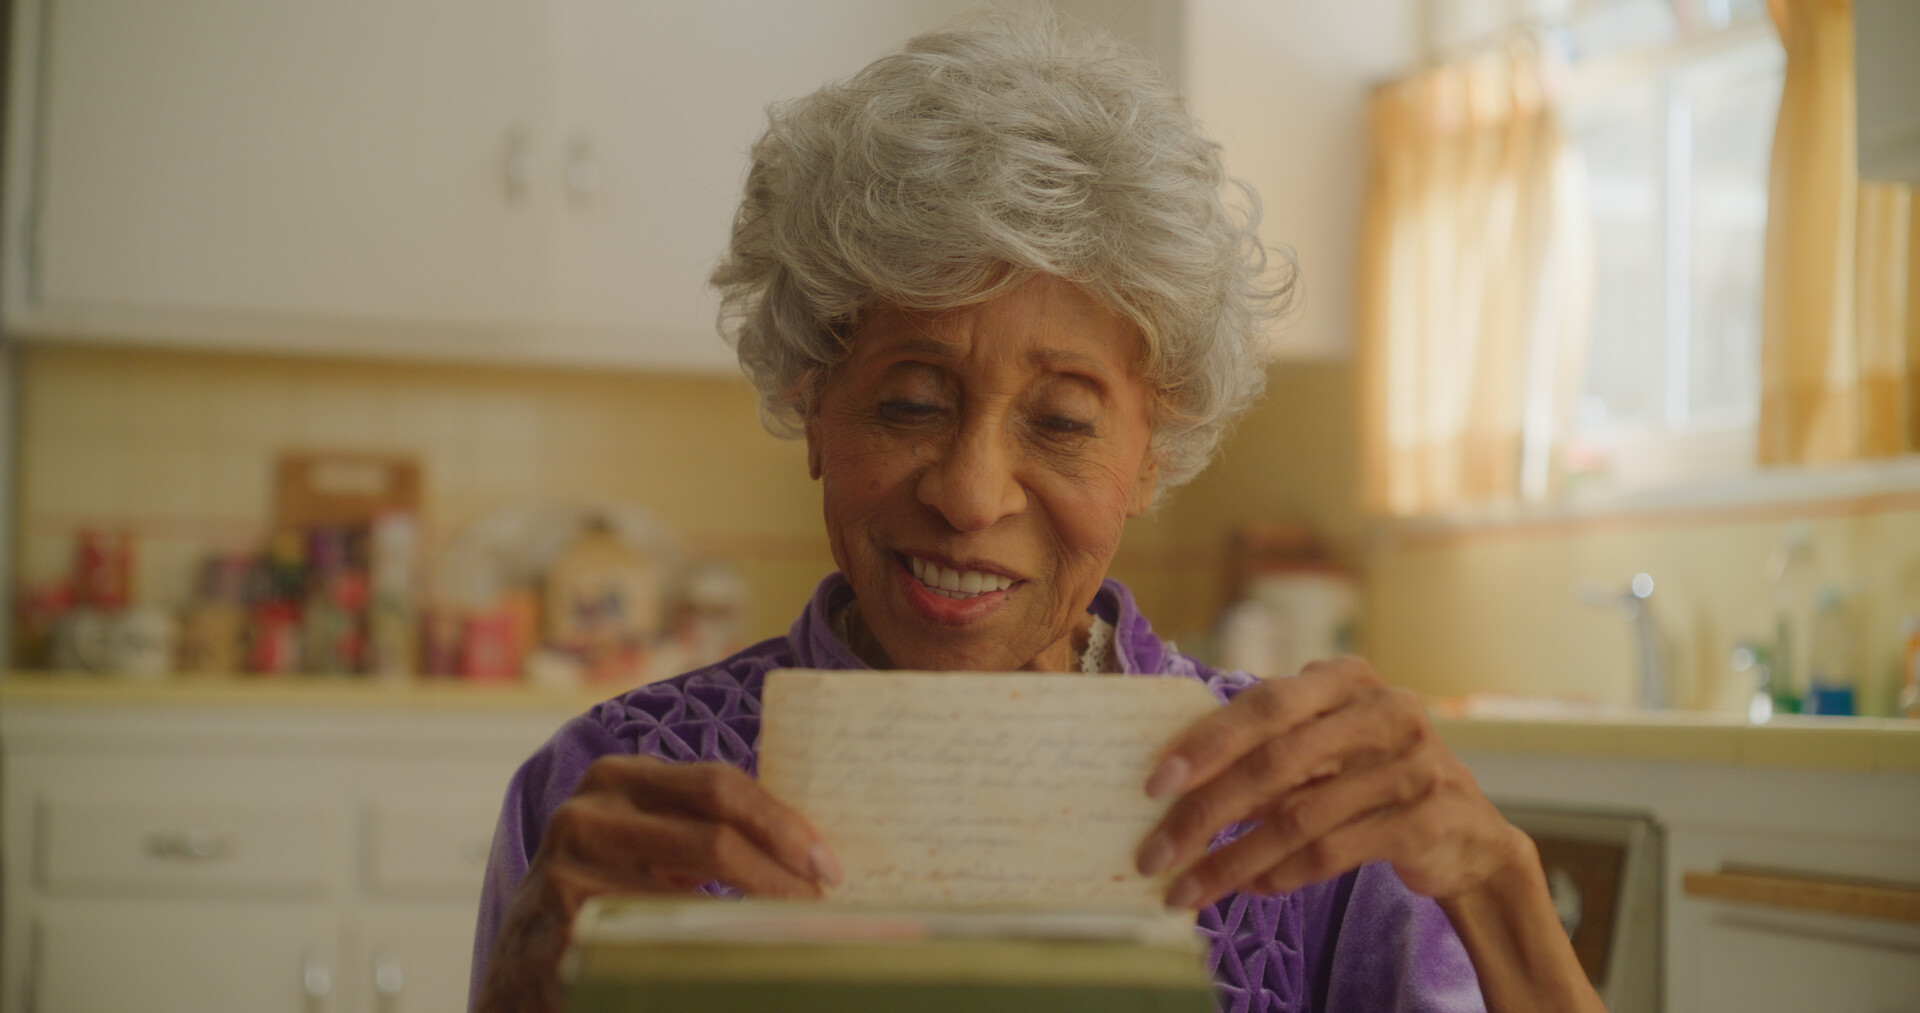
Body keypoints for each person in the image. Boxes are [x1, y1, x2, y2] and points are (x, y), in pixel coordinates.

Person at [470, 11, 1604, 1013]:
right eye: (911, 402)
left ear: (1152, 452)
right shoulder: (608, 787)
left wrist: (1496, 884)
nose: (970, 493)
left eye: (1060, 423)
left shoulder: (1310, 822)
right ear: (814, 402)